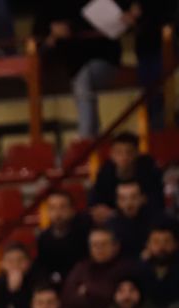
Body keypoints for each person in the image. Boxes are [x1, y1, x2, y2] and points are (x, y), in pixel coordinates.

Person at [35, 0, 124, 138]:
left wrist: (72, 28)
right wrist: (52, 36)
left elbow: (116, 23)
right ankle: (91, 139)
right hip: (72, 71)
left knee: (84, 78)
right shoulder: (48, 8)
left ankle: (85, 139)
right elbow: (37, 43)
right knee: (81, 81)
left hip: (104, 62)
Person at [89, 132, 164, 222]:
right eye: (119, 152)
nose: (124, 157)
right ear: (112, 155)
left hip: (144, 219)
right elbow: (95, 200)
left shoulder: (149, 170)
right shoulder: (105, 171)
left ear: (137, 153)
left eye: (129, 152)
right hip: (112, 220)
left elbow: (156, 203)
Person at [62, 227, 127, 308]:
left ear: (115, 246)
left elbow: (112, 299)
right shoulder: (81, 268)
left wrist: (87, 291)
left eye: (104, 244)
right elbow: (67, 298)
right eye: (95, 245)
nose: (99, 249)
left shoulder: (125, 269)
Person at [35, 188, 90, 287]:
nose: (57, 213)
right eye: (52, 208)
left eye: (62, 207)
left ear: (72, 210)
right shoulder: (43, 238)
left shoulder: (85, 232)